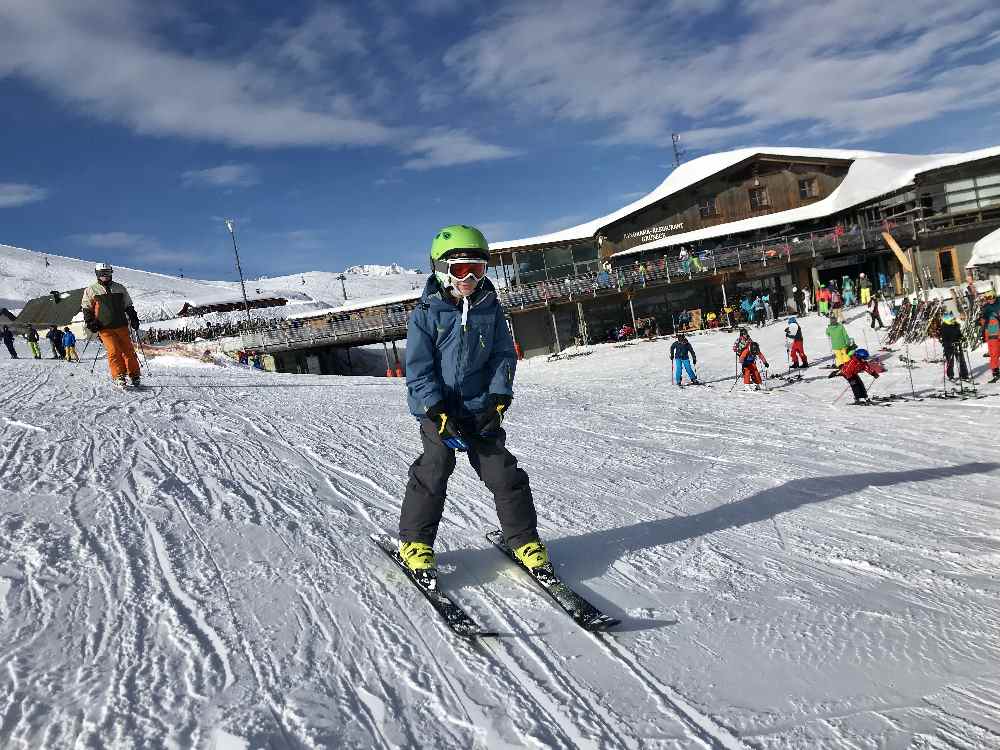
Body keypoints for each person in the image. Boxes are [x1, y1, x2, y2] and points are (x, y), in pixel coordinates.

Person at [398, 224, 546, 576]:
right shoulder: (426, 314)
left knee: (503, 471)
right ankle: (416, 542)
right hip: (439, 411)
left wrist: (498, 397)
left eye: (476, 269)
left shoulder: (490, 309)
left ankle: (523, 539)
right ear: (441, 269)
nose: (468, 278)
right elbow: (418, 370)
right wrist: (436, 409)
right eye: (459, 270)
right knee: (435, 467)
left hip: (480, 407)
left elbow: (503, 357)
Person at [81, 262, 142, 387]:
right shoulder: (91, 290)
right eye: (102, 274)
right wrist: (90, 322)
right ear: (97, 274)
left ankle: (134, 375)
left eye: (108, 273)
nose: (105, 276)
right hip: (105, 328)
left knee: (128, 351)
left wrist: (134, 318)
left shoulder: (120, 288)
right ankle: (119, 375)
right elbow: (86, 308)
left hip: (122, 325)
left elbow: (128, 305)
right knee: (114, 351)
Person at [938, 311, 969, 382]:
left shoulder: (956, 325)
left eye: (953, 319)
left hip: (957, 345)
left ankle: (964, 375)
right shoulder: (944, 327)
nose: (953, 320)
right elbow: (944, 339)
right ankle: (950, 375)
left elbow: (959, 334)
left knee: (961, 360)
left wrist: (962, 338)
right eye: (951, 319)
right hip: (949, 347)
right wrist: (950, 343)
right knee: (950, 361)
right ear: (947, 320)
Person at [979, 289, 1000, 383]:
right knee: (994, 354)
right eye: (987, 298)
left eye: (990, 297)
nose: (989, 300)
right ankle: (995, 372)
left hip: (996, 333)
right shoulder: (986, 309)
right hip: (992, 336)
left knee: (996, 353)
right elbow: (983, 322)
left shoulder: (998, 305)